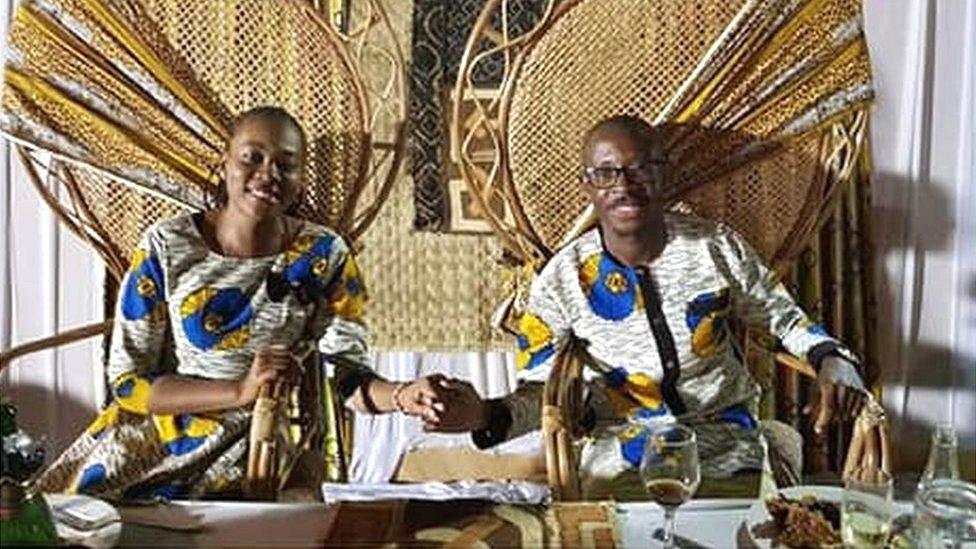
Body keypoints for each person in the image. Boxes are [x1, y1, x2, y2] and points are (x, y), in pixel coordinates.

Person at [429, 115, 868, 490]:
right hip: (623, 454)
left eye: (640, 170)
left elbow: (780, 318)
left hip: (726, 439)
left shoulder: (715, 247)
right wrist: (483, 413)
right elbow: (543, 392)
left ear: (665, 175)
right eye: (606, 173)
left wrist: (832, 357)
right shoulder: (562, 279)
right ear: (588, 185)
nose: (625, 186)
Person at [38, 106, 451, 499]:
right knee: (71, 524)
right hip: (155, 440)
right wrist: (238, 389)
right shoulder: (167, 245)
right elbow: (128, 384)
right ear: (225, 163)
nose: (268, 174)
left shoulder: (324, 254)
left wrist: (402, 394)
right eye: (252, 157)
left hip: (255, 445)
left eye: (286, 164)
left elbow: (348, 379)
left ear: (300, 178)